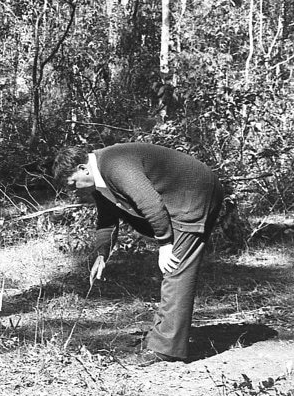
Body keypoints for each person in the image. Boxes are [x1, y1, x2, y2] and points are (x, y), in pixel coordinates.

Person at [66, 142, 224, 363]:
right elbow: (107, 221)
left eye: (73, 184)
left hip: (193, 194)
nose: (74, 192)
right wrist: (101, 254)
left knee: (176, 268)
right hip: (180, 197)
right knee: (173, 270)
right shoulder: (100, 181)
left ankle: (165, 348)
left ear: (83, 168)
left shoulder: (114, 165)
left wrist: (165, 243)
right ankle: (162, 336)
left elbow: (149, 201)